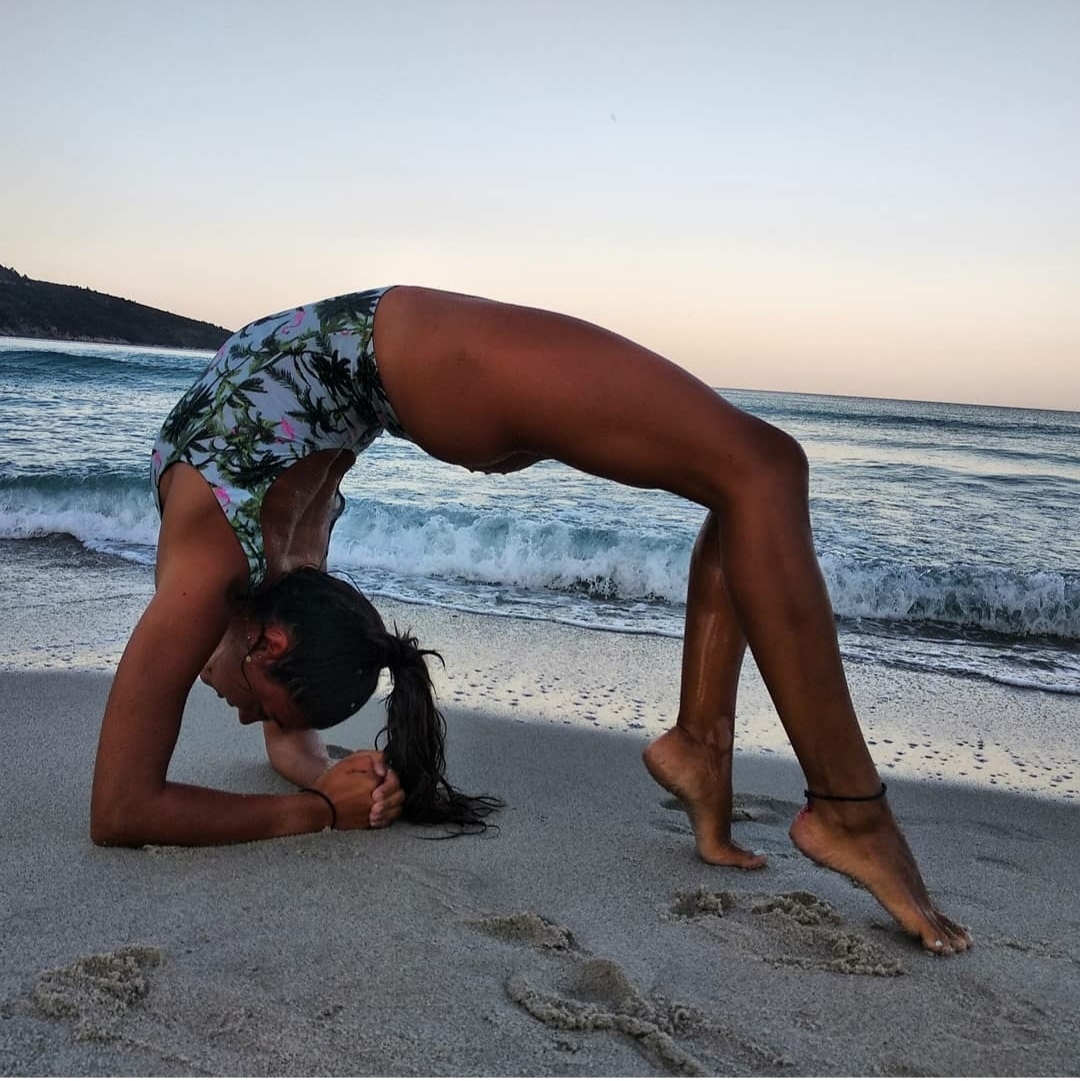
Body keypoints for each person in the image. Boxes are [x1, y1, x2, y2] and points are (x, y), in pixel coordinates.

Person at [91, 285, 971, 955]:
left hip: (418, 359)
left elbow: (122, 807)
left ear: (269, 640)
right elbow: (290, 742)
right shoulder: (282, 588)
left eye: (253, 702)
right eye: (260, 709)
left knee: (760, 472)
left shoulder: (204, 569)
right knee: (752, 472)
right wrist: (330, 787)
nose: (242, 714)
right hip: (413, 372)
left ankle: (833, 803)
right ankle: (722, 753)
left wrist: (315, 811)